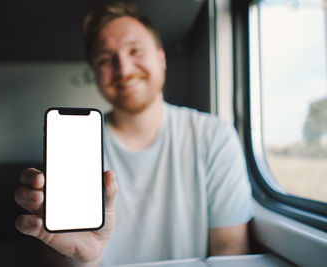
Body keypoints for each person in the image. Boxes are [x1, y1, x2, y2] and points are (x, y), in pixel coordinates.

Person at [14, 2, 253, 266]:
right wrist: (83, 260)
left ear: (161, 57)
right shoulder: (73, 147)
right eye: (106, 59)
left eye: (135, 50)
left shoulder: (214, 136)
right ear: (95, 73)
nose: (124, 69)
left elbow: (231, 251)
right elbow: (58, 258)